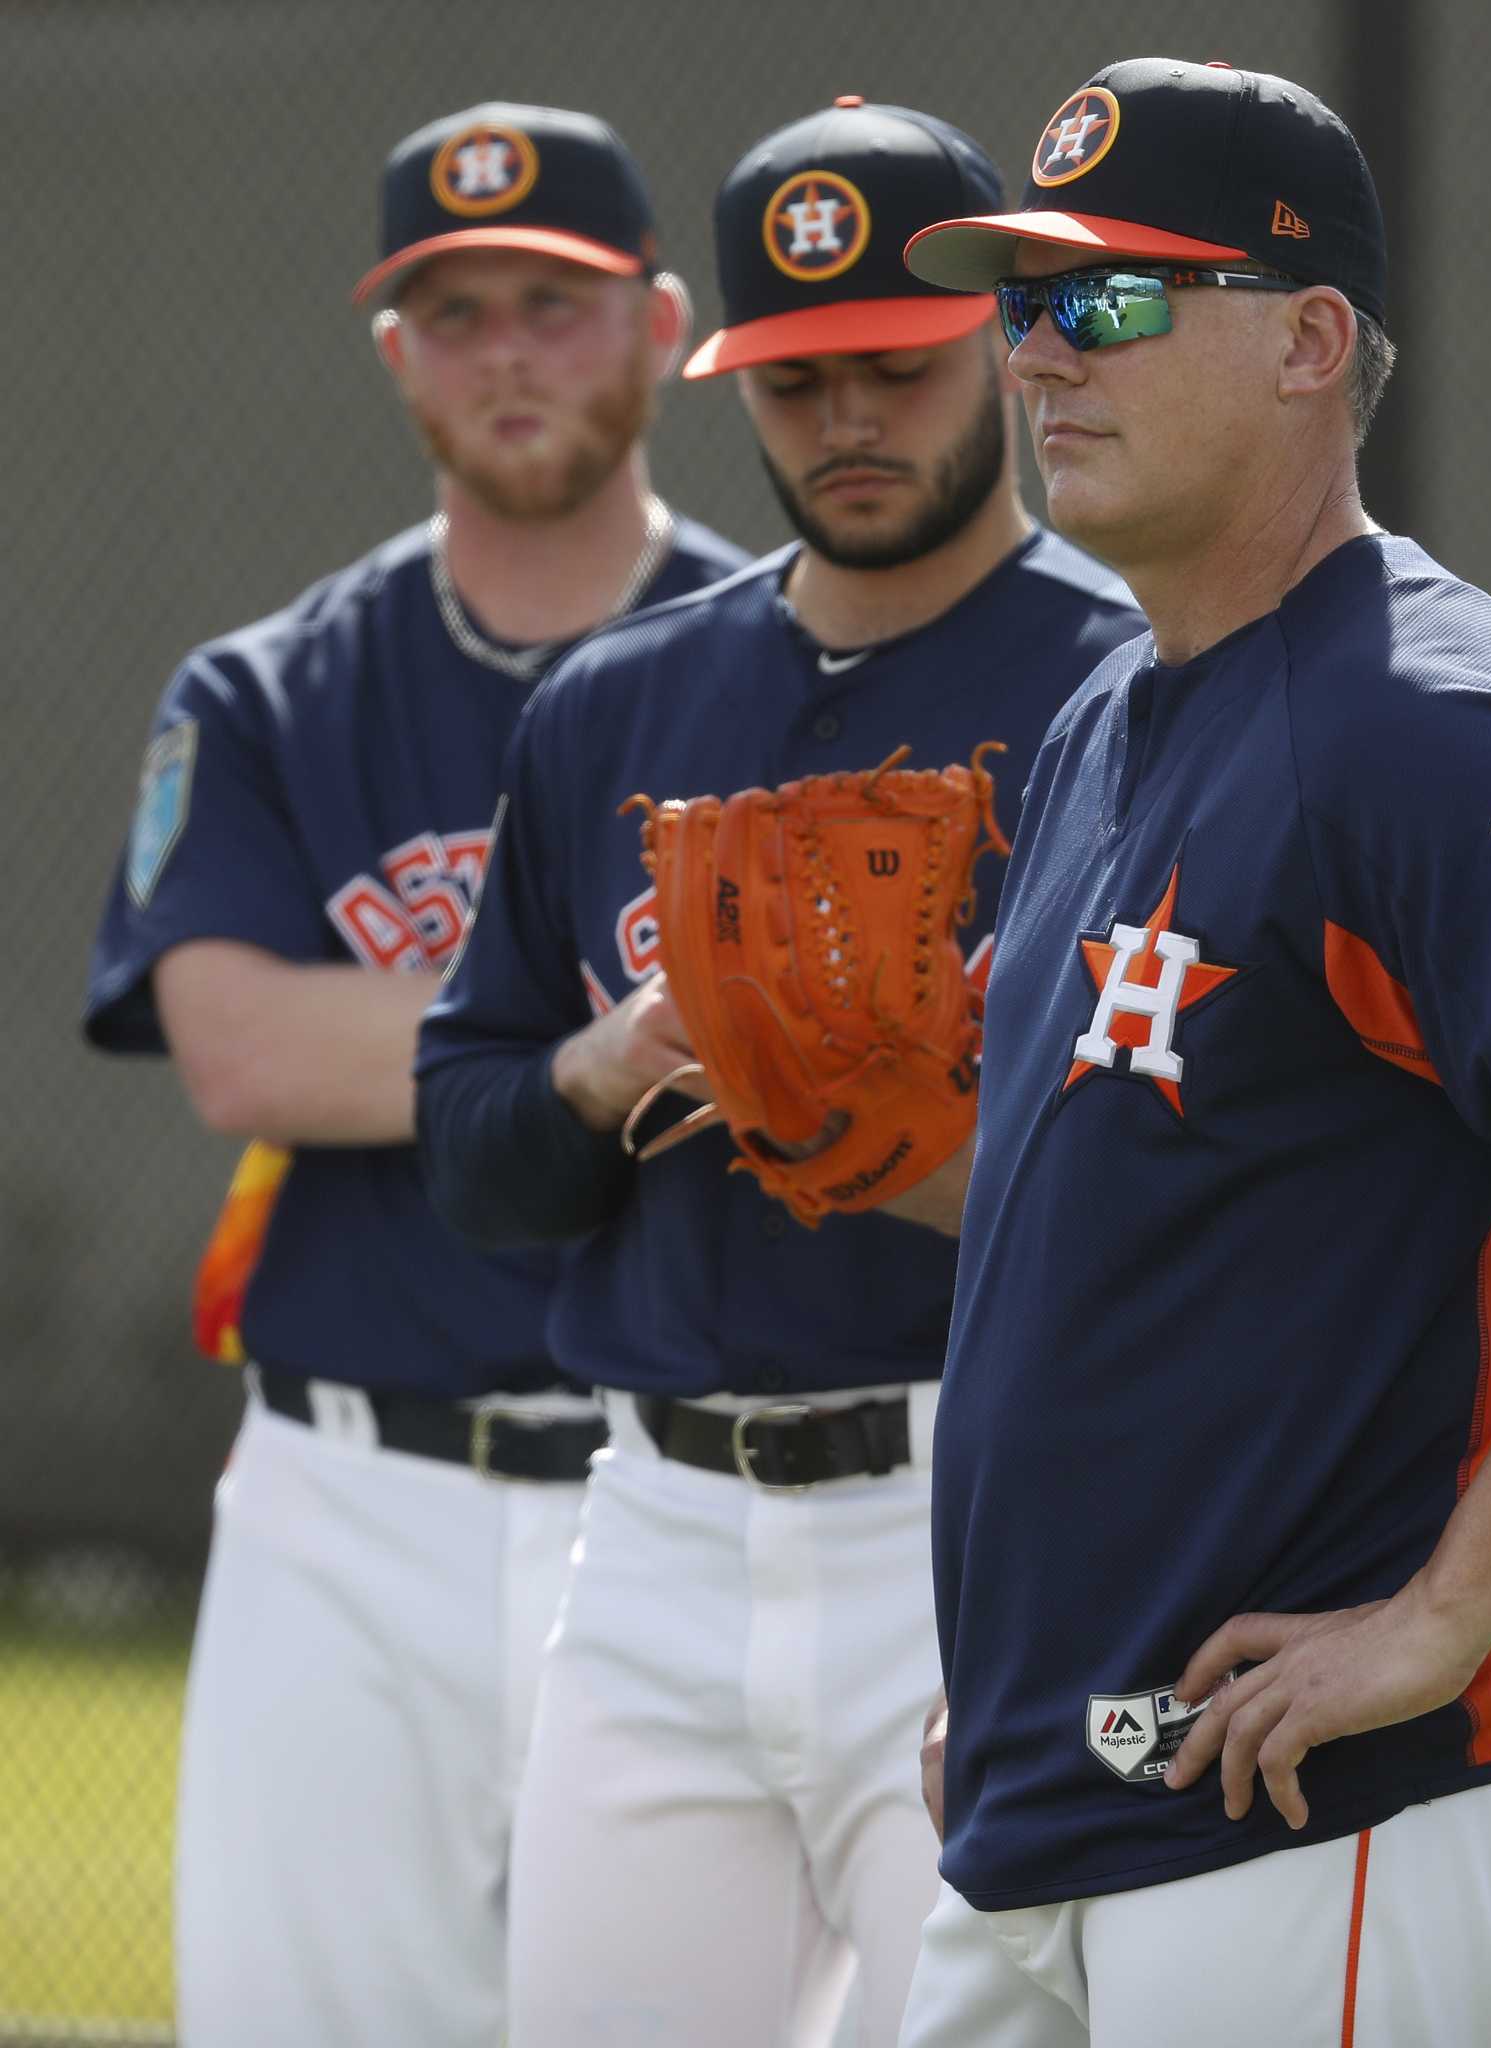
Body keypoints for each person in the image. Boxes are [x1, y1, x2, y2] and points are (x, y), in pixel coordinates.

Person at [893, 57, 1491, 2045]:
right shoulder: (1106, 711)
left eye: (1110, 300)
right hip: (1076, 1764)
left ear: (1309, 340)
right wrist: (1029, 1665)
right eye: (1018, 305)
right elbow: (1152, 1209)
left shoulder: (1408, 719)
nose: (1039, 356)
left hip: (1313, 1797)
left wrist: (1440, 1622)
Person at [412, 95, 1142, 2047]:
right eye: (796, 376)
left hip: (975, 1498)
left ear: (998, 343)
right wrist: (609, 1062)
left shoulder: (1127, 683)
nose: (847, 420)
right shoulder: (615, 707)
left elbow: (1205, 1183)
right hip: (650, 1526)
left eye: (892, 365)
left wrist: (859, 1104)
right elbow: (469, 1151)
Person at [81, 102, 745, 2048]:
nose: (506, 353)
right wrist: (633, 1035)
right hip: (347, 1504)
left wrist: (452, 1046)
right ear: (395, 356)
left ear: (657, 326)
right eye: (452, 314)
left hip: (692, 1487)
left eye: (553, 302)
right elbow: (239, 1047)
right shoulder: (272, 687)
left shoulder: (780, 661)